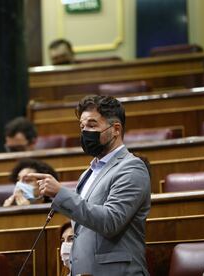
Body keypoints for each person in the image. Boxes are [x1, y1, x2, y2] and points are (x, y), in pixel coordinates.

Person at [30, 95, 151, 275]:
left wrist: (61, 193)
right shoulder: (88, 173)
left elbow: (111, 221)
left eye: (92, 125)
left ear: (116, 129)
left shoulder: (132, 168)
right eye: (82, 127)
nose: (85, 132)